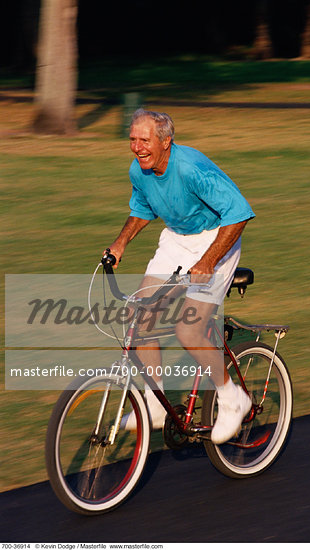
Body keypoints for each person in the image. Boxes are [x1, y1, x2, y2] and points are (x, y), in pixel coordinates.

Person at [105, 109, 255, 444]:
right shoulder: (139, 169)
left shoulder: (190, 167)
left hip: (217, 240)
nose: (137, 147)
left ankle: (233, 398)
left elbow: (239, 212)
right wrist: (121, 242)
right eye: (132, 139)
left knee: (188, 328)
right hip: (176, 240)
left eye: (145, 140)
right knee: (137, 315)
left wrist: (208, 261)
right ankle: (155, 404)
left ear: (165, 141)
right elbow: (142, 207)